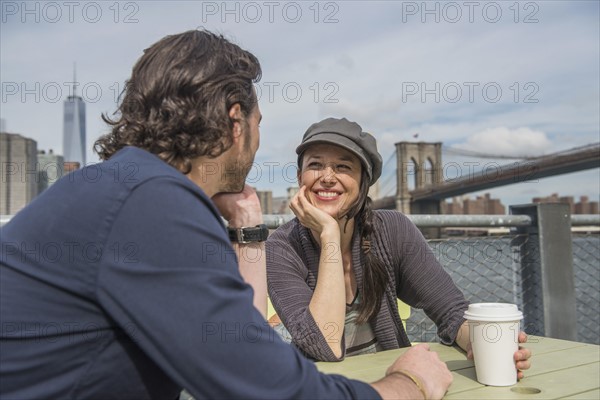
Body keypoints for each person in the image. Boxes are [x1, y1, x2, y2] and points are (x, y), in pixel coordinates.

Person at [1, 30, 454, 399]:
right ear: (235, 121)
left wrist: (245, 223)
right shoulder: (151, 206)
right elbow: (267, 391)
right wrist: (407, 383)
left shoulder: (123, 188)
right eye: (259, 123)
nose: (258, 140)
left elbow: (242, 348)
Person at [266, 117, 532, 373]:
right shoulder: (282, 247)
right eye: (315, 165)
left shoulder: (392, 230)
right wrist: (329, 234)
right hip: (321, 389)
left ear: (364, 183)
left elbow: (451, 311)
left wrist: (479, 343)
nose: (327, 177)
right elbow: (323, 345)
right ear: (300, 177)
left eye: (343, 166)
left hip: (396, 382)